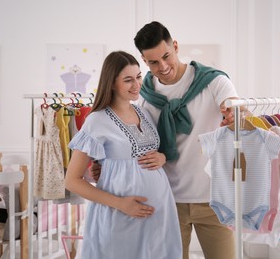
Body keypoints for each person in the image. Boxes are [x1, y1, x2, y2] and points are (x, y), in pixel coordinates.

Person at [134, 21, 238, 259]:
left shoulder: (213, 81)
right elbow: (136, 140)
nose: (163, 66)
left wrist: (234, 114)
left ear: (176, 46)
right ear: (143, 60)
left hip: (214, 200)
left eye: (166, 56)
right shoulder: (143, 95)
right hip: (167, 201)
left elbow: (236, 107)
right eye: (153, 62)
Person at [65, 50, 182, 259]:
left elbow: (153, 153)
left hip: (159, 215)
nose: (137, 85)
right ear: (111, 83)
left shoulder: (144, 112)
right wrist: (121, 204)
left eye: (138, 77)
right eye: (128, 80)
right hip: (119, 216)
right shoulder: (97, 121)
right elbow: (72, 181)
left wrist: (162, 157)